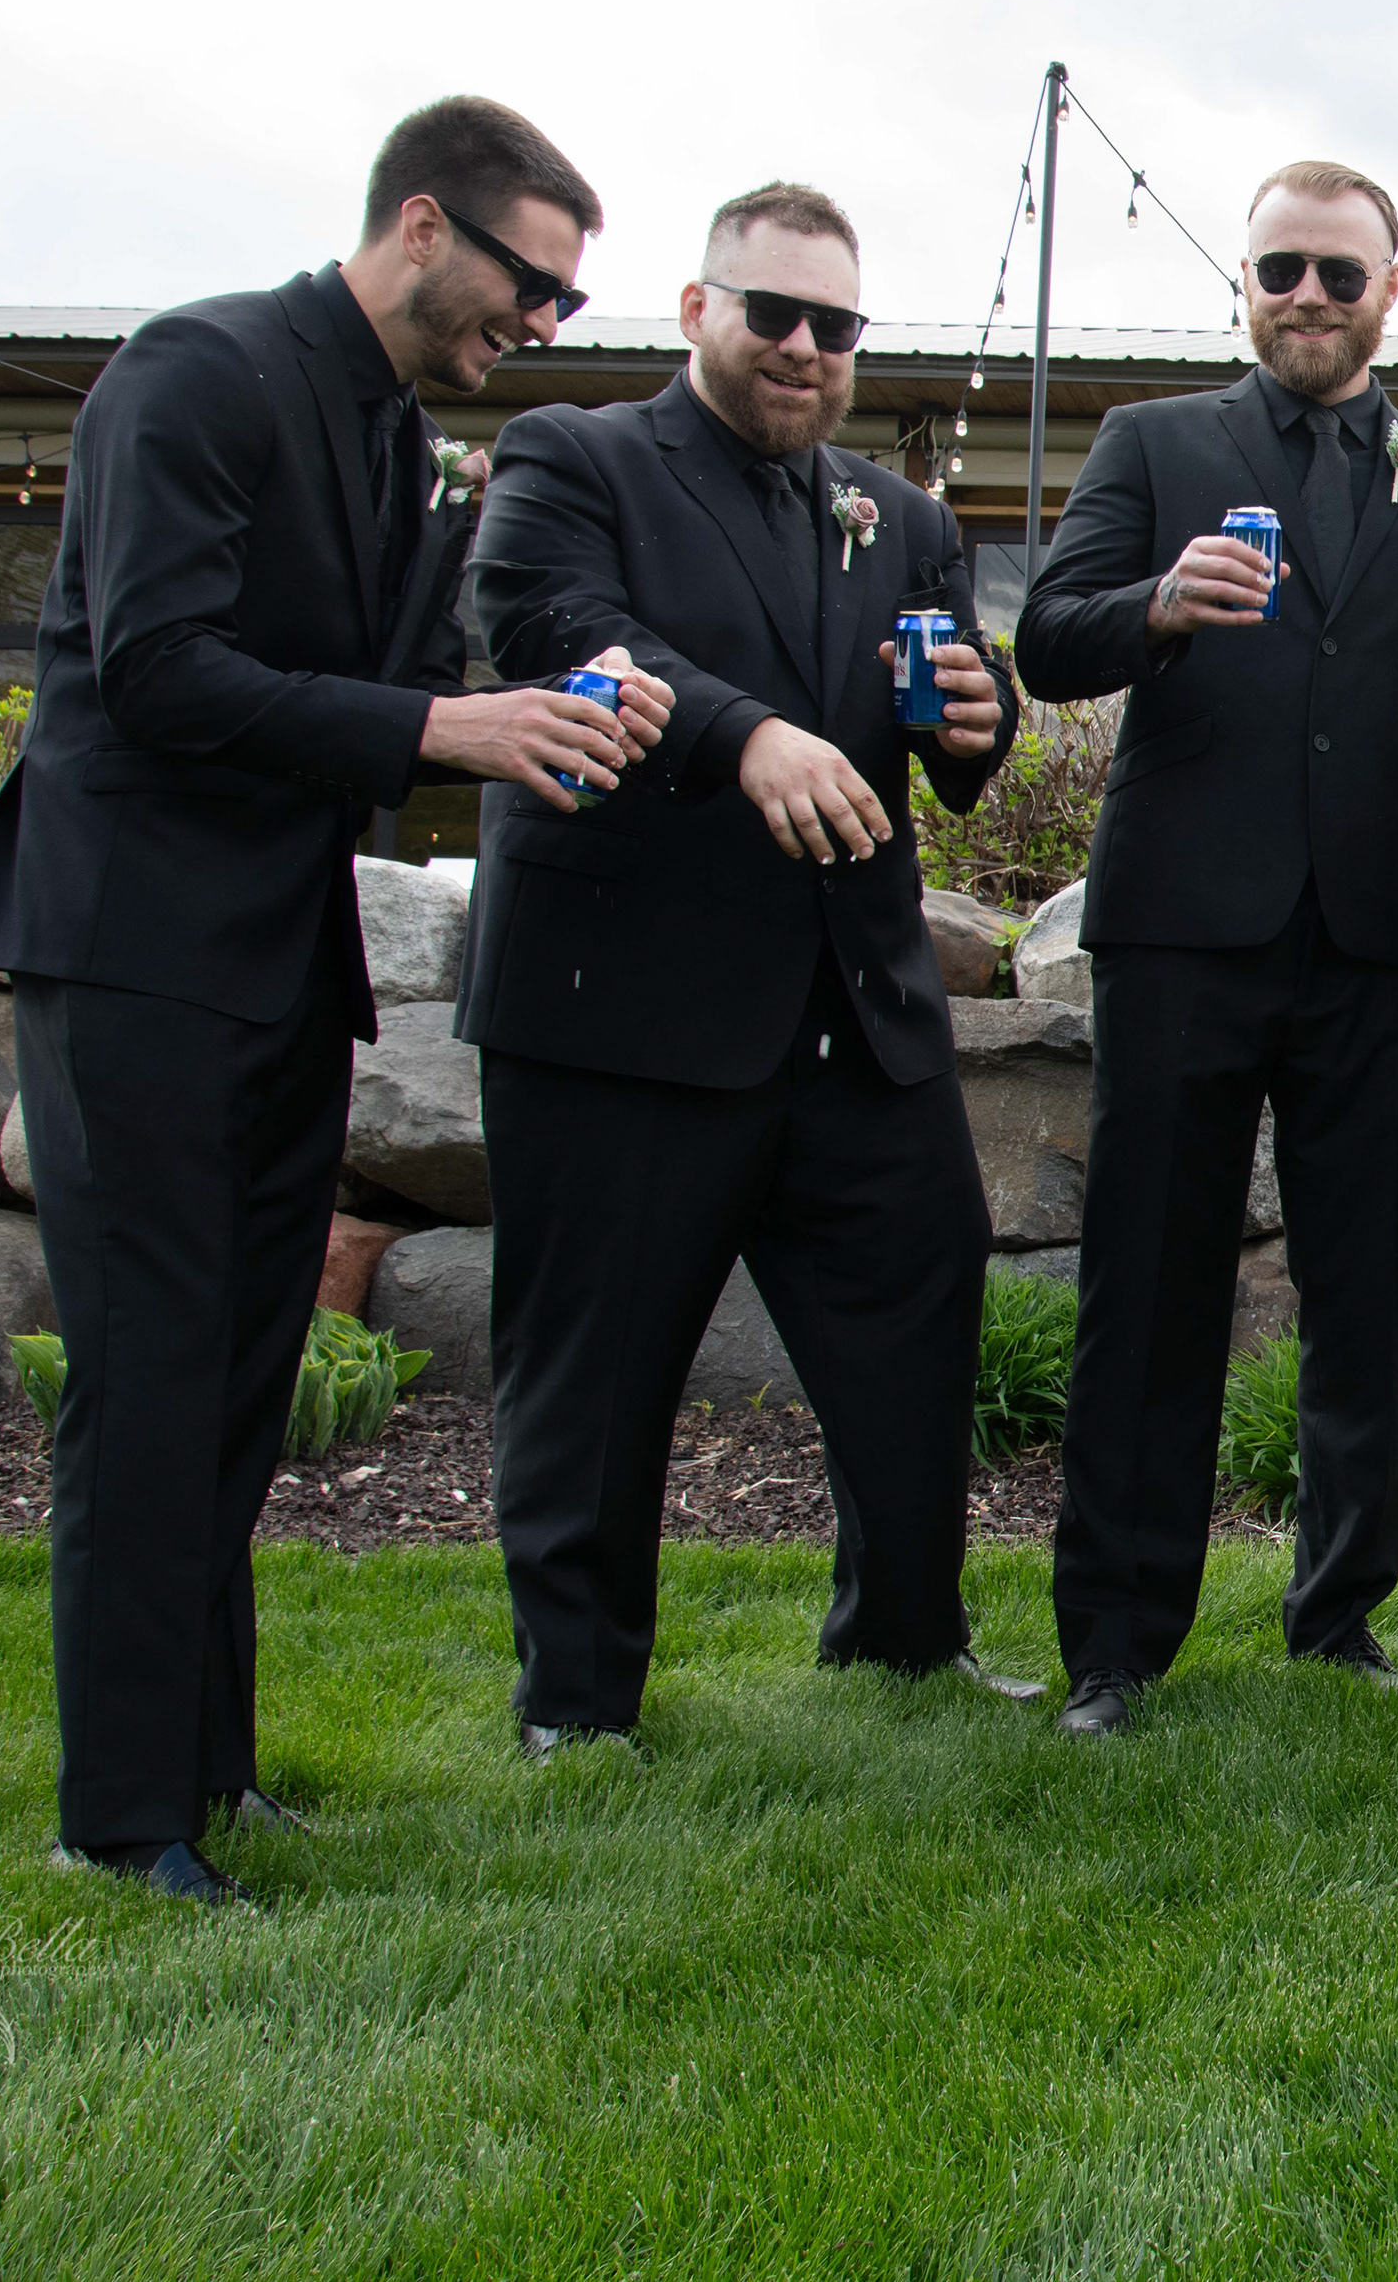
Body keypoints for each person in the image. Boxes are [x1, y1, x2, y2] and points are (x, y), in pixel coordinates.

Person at [0, 98, 645, 1899]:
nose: (542, 325)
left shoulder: (401, 441)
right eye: (533, 285)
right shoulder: (197, 371)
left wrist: (563, 695)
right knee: (151, 1379)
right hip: (132, 951)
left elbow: (371, 690)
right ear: (424, 225)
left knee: (244, 1378)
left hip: (279, 958)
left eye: (562, 302)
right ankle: (120, 1822)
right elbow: (157, 669)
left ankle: (208, 1774)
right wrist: (444, 727)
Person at [460, 181, 1025, 1754]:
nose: (804, 346)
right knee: (595, 1370)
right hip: (624, 1009)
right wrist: (745, 736)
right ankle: (578, 1703)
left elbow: (951, 731)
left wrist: (977, 726)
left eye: (836, 325)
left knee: (917, 1326)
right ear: (698, 309)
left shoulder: (901, 516)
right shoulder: (574, 458)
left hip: (857, 1012)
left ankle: (904, 1640)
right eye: (773, 313)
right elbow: (553, 625)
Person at [1018, 160, 1398, 1736]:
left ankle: (1339, 1617)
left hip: (1385, 940)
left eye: (1337, 273)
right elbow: (1047, 640)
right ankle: (1117, 1645)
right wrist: (1156, 604)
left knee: (1364, 1287)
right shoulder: (1153, 444)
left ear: (1390, 291)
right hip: (1185, 933)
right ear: (1241, 286)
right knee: (1149, 1285)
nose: (1307, 296)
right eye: (1279, 271)